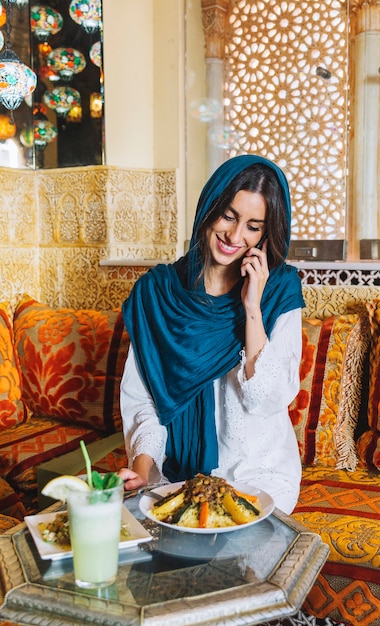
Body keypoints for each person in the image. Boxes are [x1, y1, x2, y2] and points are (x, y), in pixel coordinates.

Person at [118, 154, 304, 513]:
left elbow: (266, 400)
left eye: (253, 226)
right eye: (229, 216)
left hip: (259, 476)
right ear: (209, 208)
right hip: (175, 476)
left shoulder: (280, 290)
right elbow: (145, 401)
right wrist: (141, 471)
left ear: (266, 234)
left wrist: (253, 307)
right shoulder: (156, 294)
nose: (235, 236)